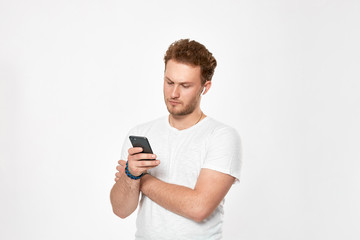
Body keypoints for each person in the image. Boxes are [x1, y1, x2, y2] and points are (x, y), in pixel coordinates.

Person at [110, 39, 242, 240]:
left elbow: (198, 208)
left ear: (205, 87)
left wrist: (140, 178)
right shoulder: (141, 132)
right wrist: (130, 176)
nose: (174, 93)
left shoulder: (221, 136)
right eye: (169, 82)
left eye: (185, 85)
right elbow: (121, 210)